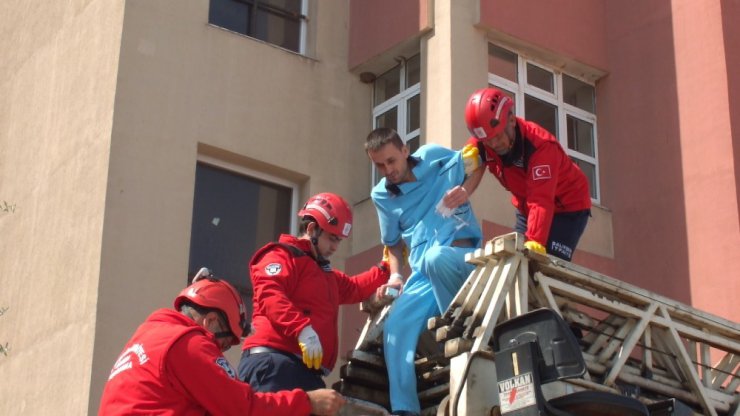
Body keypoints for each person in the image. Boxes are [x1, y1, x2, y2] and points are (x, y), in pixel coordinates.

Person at [98, 268, 345, 415]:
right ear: (212, 321)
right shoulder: (187, 344)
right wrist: (308, 401)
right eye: (225, 344)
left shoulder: (147, 337)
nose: (221, 352)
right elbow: (242, 408)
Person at [365, 128, 483, 416]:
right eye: (379, 165)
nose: (387, 170)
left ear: (406, 150)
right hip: (423, 273)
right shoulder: (381, 195)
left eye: (391, 161)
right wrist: (395, 276)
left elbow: (478, 164)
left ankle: (459, 329)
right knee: (394, 327)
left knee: (436, 257)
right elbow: (392, 245)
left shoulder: (432, 156)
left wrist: (466, 190)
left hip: (460, 260)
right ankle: (405, 409)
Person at [238, 192, 391, 393]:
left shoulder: (323, 274)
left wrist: (386, 269)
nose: (335, 247)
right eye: (332, 238)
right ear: (311, 229)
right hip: (273, 364)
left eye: (339, 241)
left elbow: (355, 288)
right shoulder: (281, 255)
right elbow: (271, 296)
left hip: (303, 372)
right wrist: (302, 330)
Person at [462, 87, 591, 261]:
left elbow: (541, 199)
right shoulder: (489, 140)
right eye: (487, 140)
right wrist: (472, 147)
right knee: (515, 261)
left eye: (498, 136)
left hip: (566, 208)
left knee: (547, 267)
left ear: (512, 120)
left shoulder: (541, 147)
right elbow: (480, 140)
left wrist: (535, 240)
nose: (494, 144)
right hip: (527, 206)